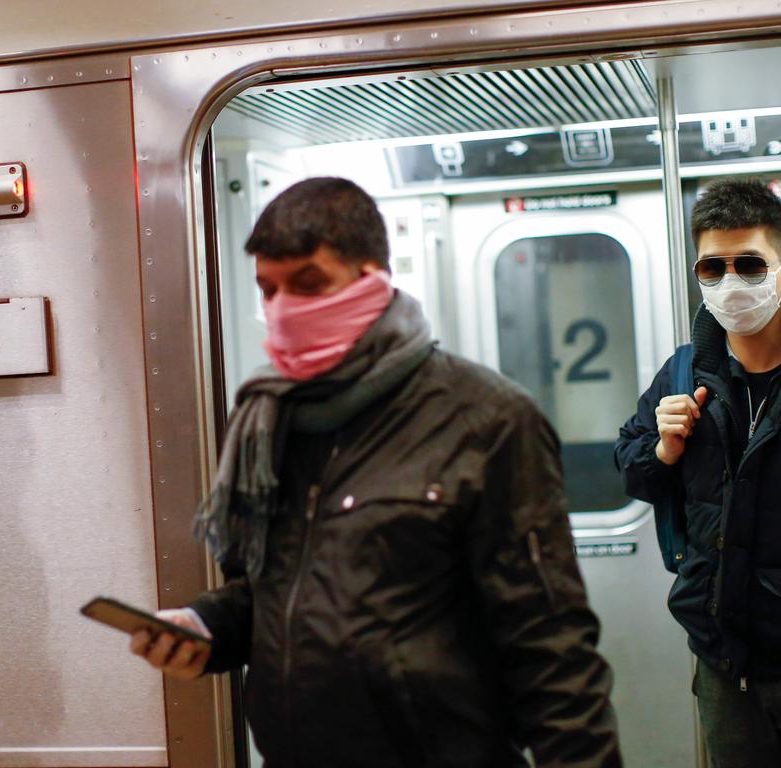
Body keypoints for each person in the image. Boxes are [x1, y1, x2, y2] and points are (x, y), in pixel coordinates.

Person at [131, 177, 621, 767]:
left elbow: (551, 647)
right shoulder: (268, 420)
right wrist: (208, 625)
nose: (284, 309)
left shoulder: (485, 419)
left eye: (309, 284)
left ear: (372, 278)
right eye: (269, 290)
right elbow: (276, 592)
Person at [616, 178, 781, 767]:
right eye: (712, 267)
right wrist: (662, 448)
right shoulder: (684, 371)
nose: (730, 282)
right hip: (721, 657)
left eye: (750, 265)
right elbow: (631, 470)